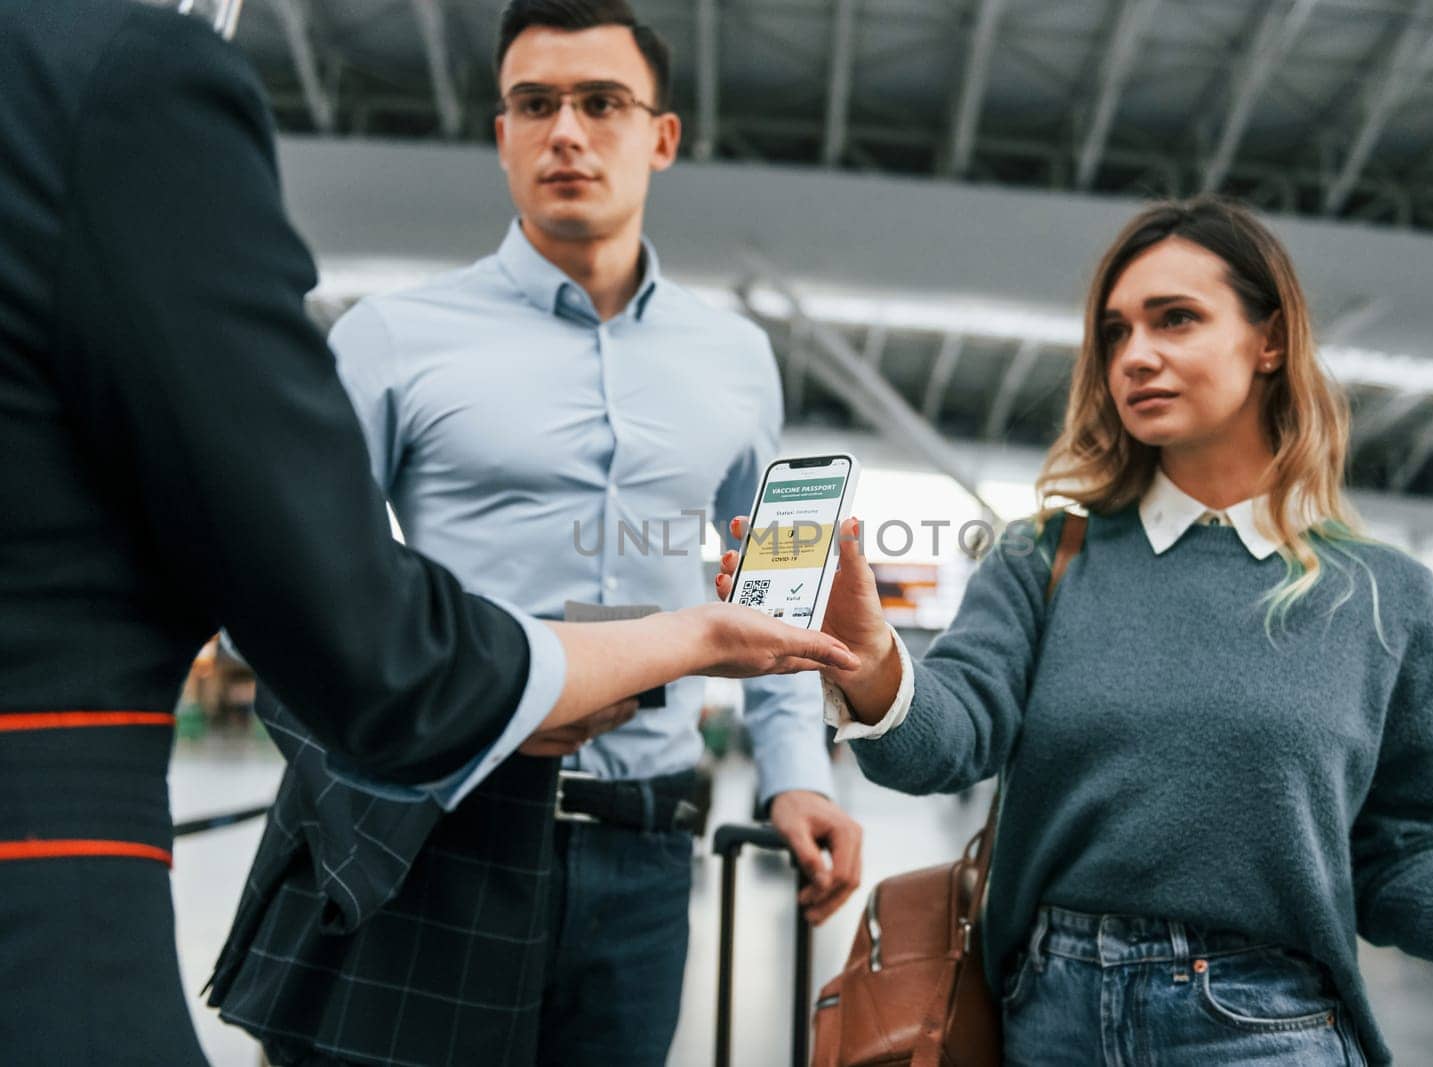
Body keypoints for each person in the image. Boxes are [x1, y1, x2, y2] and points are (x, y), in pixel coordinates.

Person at [0, 2, 856, 1064]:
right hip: (441, 833)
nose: (568, 133)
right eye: (535, 104)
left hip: (644, 849)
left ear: (662, 136)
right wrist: (481, 706)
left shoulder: (737, 362)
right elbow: (290, 583)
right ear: (500, 134)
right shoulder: (393, 341)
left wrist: (793, 772)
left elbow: (770, 598)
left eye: (602, 102)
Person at [719, 197, 1433, 1065]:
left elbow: (1402, 845)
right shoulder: (1045, 556)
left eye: (1176, 319)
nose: (1137, 355)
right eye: (1116, 332)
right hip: (1049, 1016)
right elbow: (947, 738)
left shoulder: (1385, 595)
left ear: (1269, 341)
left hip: (1266, 1024)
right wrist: (872, 663)